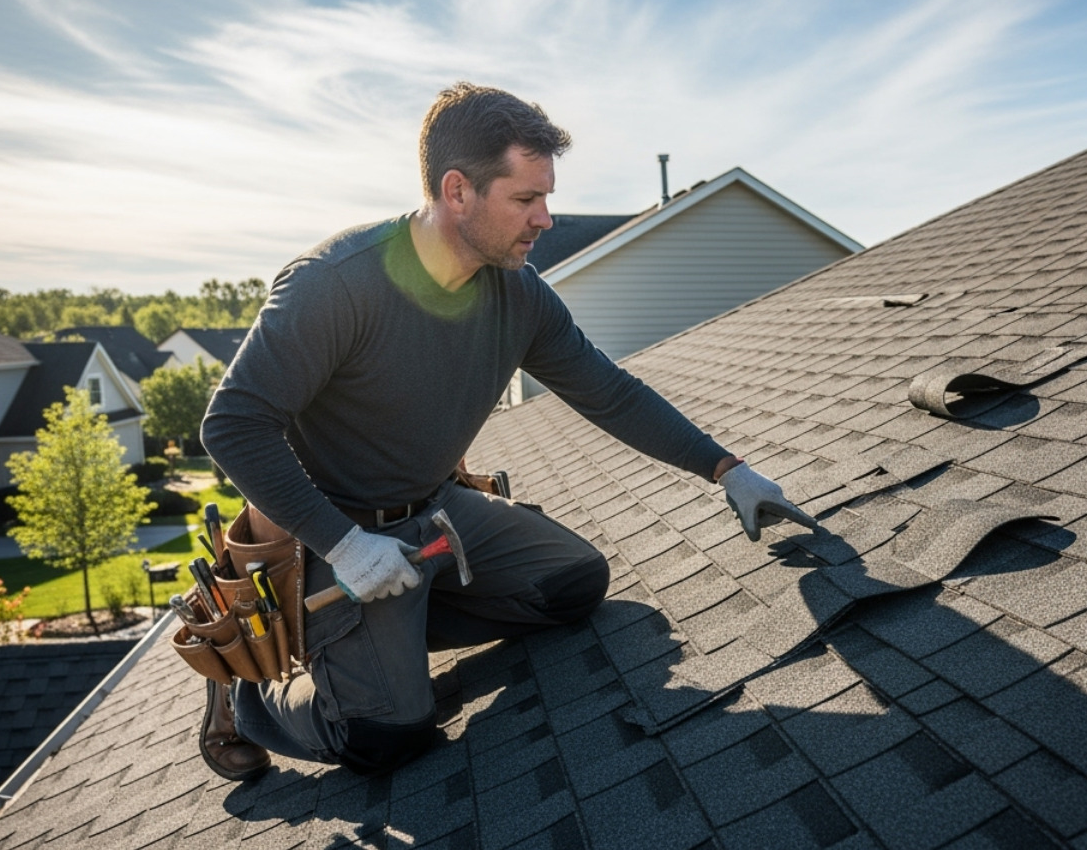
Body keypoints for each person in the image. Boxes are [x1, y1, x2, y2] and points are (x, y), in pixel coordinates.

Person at [199, 83, 813, 781]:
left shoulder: (516, 293)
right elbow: (232, 426)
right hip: (336, 537)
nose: (546, 219)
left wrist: (726, 469)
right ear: (457, 191)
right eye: (526, 200)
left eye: (546, 197)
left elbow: (608, 390)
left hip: (434, 514)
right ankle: (250, 695)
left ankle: (383, 646)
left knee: (575, 585)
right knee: (387, 736)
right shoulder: (334, 286)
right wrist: (344, 544)